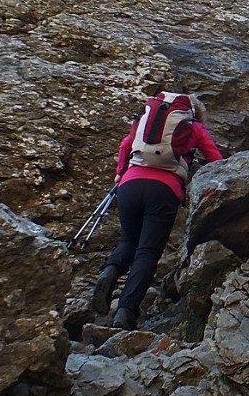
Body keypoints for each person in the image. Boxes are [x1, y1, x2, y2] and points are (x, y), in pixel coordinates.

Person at [91, 87, 224, 330]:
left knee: (129, 241)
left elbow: (125, 145)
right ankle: (125, 312)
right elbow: (217, 162)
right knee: (148, 251)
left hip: (129, 185)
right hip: (164, 190)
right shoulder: (194, 127)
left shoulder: (146, 122)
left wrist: (120, 173)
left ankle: (110, 271)